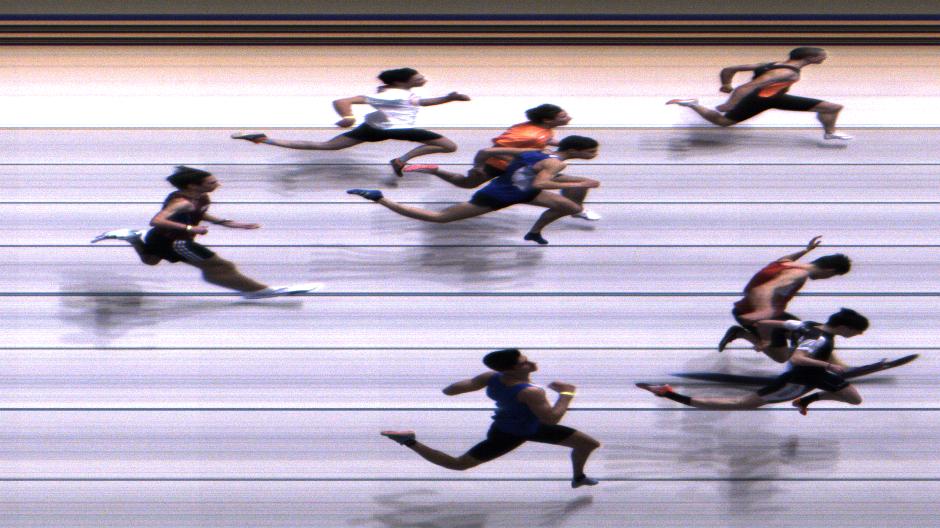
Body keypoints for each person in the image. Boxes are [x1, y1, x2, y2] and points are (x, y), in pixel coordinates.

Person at [380, 348, 601, 488]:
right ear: (511, 370)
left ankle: (578, 478)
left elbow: (450, 390)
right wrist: (566, 393)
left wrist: (470, 385)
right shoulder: (530, 392)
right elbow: (552, 419)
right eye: (524, 363)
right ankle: (409, 441)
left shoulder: (492, 377)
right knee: (459, 464)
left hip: (523, 425)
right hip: (510, 434)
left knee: (588, 444)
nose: (530, 363)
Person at [91, 166, 321, 298]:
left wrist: (230, 223)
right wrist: (191, 228)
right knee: (220, 267)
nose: (217, 184)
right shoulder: (182, 202)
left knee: (151, 260)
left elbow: (200, 213)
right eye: (211, 182)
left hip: (161, 240)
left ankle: (133, 238)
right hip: (176, 242)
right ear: (193, 185)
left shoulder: (200, 197)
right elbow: (157, 220)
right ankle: (261, 291)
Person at [346, 136, 601, 245]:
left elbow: (488, 151)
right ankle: (380, 198)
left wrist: (478, 166)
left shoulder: (536, 152)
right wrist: (578, 184)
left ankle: (534, 233)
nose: (594, 154)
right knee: (439, 218)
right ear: (575, 151)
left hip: (520, 192)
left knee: (570, 206)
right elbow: (540, 184)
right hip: (499, 196)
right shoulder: (555, 163)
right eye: (591, 152)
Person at [231, 67, 470, 176]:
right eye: (418, 77)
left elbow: (423, 102)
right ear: (402, 81)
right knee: (449, 146)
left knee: (328, 146)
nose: (422, 78)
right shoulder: (390, 94)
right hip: (397, 129)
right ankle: (401, 160)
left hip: (374, 128)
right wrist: (347, 116)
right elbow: (343, 100)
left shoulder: (403, 93)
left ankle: (264, 139)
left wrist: (449, 99)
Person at [638, 308, 870, 415]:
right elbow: (798, 358)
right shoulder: (819, 339)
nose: (858, 335)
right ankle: (668, 393)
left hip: (817, 378)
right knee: (740, 403)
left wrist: (762, 332)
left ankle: (805, 401)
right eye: (857, 331)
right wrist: (829, 365)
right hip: (797, 381)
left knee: (854, 399)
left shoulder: (809, 325)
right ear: (844, 327)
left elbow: (778, 324)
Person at [408, 104, 600, 221]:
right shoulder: (526, 133)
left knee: (468, 183)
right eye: (563, 116)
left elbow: (545, 141)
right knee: (467, 183)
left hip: (523, 165)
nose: (568, 118)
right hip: (503, 165)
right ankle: (435, 170)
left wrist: (564, 146)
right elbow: (497, 147)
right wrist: (482, 166)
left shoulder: (543, 129)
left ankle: (574, 209)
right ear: (547, 120)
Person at [666, 47, 853, 140]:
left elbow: (730, 69)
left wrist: (726, 84)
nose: (824, 59)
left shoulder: (772, 64)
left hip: (776, 98)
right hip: (760, 100)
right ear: (810, 58)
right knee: (723, 122)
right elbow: (748, 87)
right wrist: (730, 103)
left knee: (832, 108)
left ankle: (830, 133)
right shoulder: (785, 72)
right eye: (822, 57)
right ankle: (693, 104)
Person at [718, 236, 851, 362]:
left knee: (810, 333)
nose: (826, 278)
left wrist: (806, 250)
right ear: (830, 271)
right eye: (831, 276)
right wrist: (765, 311)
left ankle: (833, 364)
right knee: (782, 357)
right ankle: (740, 333)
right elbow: (763, 289)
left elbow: (787, 259)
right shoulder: (798, 275)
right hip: (753, 315)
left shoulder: (785, 263)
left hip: (756, 312)